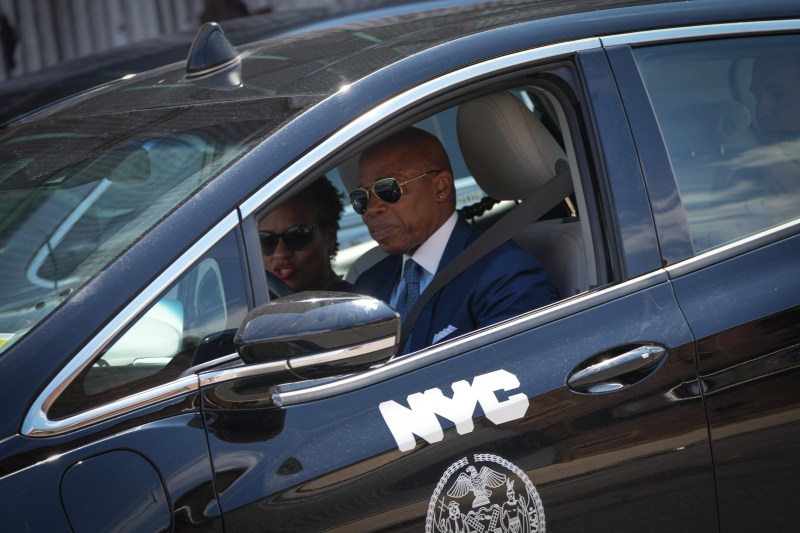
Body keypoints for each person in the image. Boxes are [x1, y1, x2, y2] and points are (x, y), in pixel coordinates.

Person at [352, 127, 557, 353]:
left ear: (441, 187)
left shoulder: (505, 274)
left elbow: (512, 376)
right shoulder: (368, 286)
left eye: (388, 189)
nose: (371, 209)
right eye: (361, 198)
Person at [258, 176, 352, 293]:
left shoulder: (354, 307)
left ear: (329, 237)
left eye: (296, 236)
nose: (280, 253)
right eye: (266, 240)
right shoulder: (247, 306)